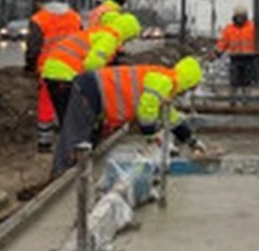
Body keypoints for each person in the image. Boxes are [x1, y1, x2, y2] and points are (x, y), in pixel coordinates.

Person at [53, 58, 206, 176]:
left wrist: (192, 141)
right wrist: (151, 137)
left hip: (96, 91)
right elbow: (146, 111)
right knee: (76, 137)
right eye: (191, 88)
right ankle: (61, 176)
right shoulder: (163, 82)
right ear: (188, 82)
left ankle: (77, 172)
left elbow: (170, 117)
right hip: (93, 89)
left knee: (88, 140)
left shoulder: (166, 84)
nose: (187, 92)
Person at [39, 13, 142, 128]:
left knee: (67, 116)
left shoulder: (99, 31)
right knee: (76, 118)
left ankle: (66, 136)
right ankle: (75, 137)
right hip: (66, 73)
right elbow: (93, 63)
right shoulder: (110, 37)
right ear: (127, 33)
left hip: (53, 70)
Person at [26, 0, 83, 152]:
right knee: (72, 104)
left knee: (46, 105)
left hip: (49, 70)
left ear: (37, 1)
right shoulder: (74, 16)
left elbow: (34, 47)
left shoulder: (38, 19)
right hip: (74, 67)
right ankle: (73, 140)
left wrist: (30, 66)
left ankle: (45, 143)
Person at [211, 4, 259, 102]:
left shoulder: (252, 28)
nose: (240, 19)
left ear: (245, 16)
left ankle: (246, 98)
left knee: (247, 80)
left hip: (249, 57)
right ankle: (233, 98)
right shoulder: (229, 29)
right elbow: (223, 42)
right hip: (235, 58)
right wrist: (217, 52)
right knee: (234, 80)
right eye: (238, 16)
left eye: (242, 16)